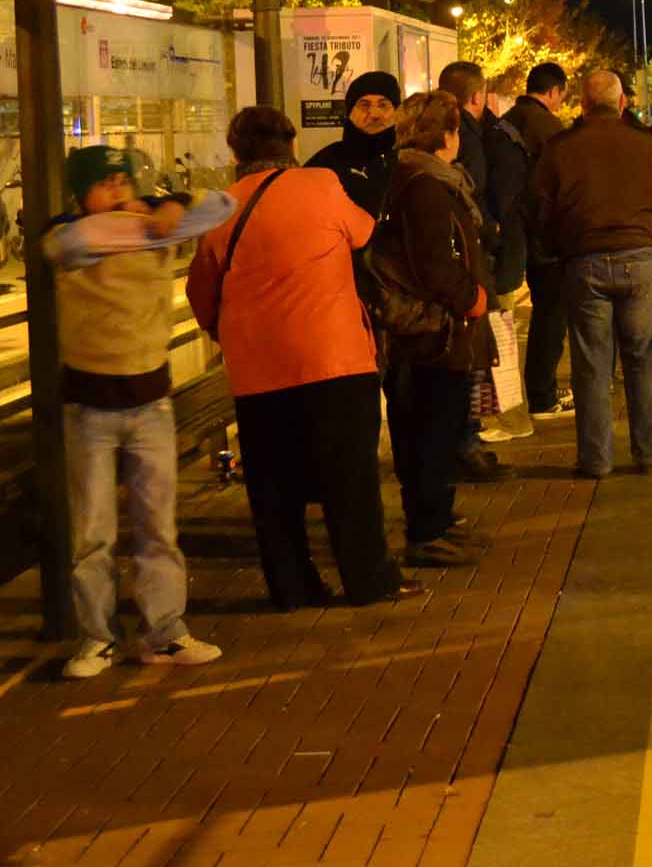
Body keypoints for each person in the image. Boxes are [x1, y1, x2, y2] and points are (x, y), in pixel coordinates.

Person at [187, 107, 416, 610]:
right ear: (290, 145)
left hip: (257, 371)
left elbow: (201, 293)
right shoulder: (321, 184)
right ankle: (368, 579)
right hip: (332, 357)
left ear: (235, 152)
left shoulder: (219, 208)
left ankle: (292, 586)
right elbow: (361, 233)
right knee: (349, 479)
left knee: (273, 487)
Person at [45, 147, 237, 677]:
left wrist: (173, 201)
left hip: (151, 401)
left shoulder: (157, 223)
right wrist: (160, 220)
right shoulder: (68, 238)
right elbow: (84, 238)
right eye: (103, 184)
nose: (116, 192)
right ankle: (96, 639)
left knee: (158, 527)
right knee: (94, 532)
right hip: (89, 406)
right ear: (78, 195)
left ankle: (165, 633)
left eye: (122, 181)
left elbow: (222, 205)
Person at [533, 70, 652, 476]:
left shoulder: (560, 148)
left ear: (582, 105)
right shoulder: (649, 144)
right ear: (622, 104)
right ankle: (650, 450)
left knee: (591, 364)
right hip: (641, 258)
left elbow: (540, 208)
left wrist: (556, 250)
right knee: (644, 359)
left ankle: (596, 459)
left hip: (584, 262)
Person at [378, 92, 495, 565]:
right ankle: (426, 530)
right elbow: (433, 263)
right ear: (446, 135)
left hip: (424, 327)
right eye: (456, 129)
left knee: (430, 429)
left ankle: (437, 519)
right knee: (430, 430)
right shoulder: (423, 184)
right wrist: (471, 298)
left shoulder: (411, 176)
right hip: (431, 329)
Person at [440, 61, 528, 466]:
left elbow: (481, 200)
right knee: (495, 338)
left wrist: (488, 235)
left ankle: (507, 418)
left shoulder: (473, 139)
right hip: (499, 255)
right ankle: (501, 416)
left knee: (494, 341)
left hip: (492, 258)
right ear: (478, 95)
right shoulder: (495, 134)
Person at [504, 62, 571, 416]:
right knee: (551, 315)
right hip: (543, 238)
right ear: (554, 91)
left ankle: (532, 389)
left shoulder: (509, 119)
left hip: (515, 234)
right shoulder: (548, 127)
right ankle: (542, 393)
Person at [306, 70, 401, 217]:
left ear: (397, 111)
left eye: (383, 105)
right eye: (364, 105)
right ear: (349, 112)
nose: (374, 114)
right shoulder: (327, 162)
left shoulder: (409, 160)